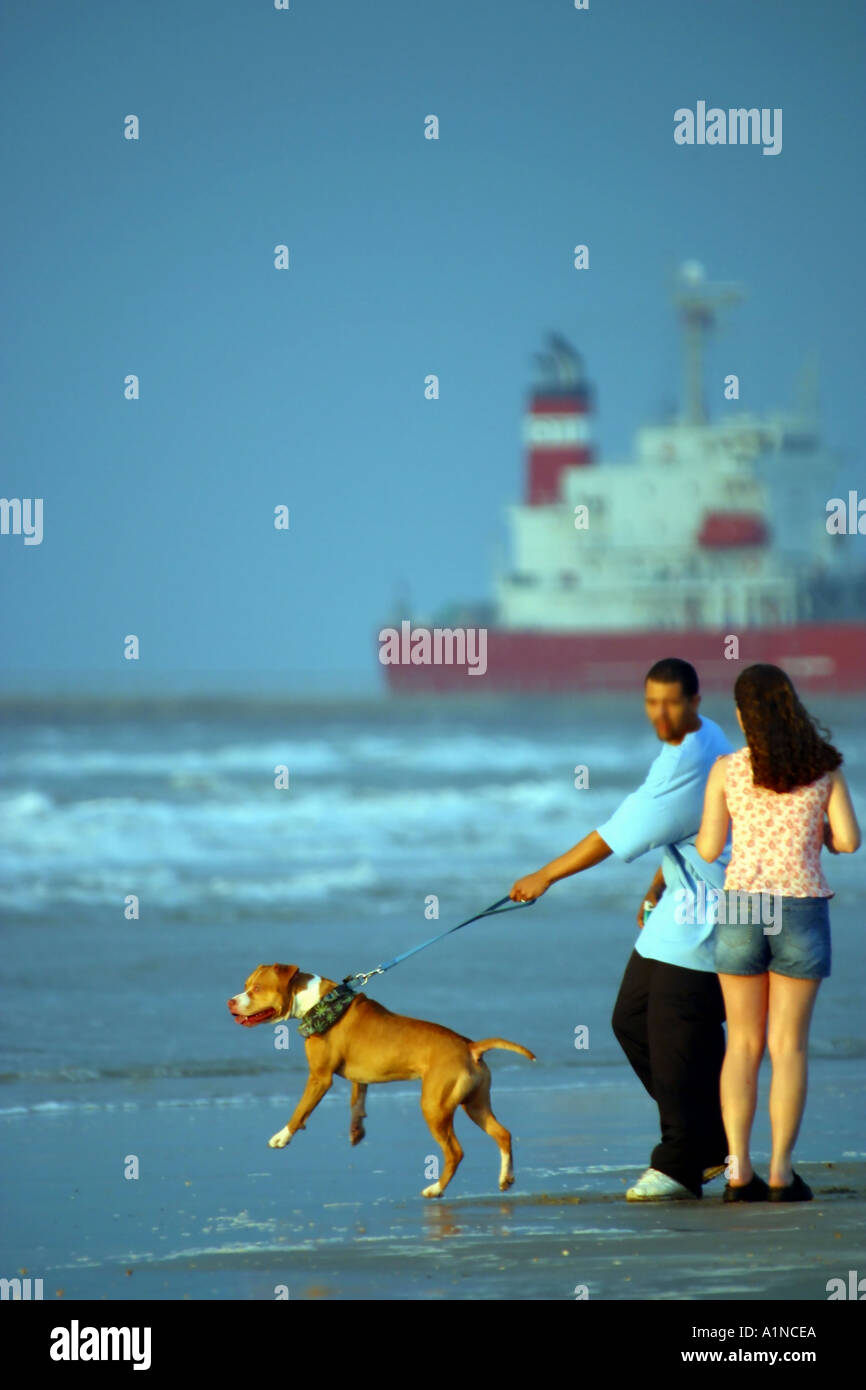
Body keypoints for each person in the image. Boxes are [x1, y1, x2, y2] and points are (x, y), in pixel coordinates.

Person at [510, 657, 734, 1201]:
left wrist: (545, 876)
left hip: (713, 916)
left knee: (677, 1033)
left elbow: (617, 833)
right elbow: (686, 824)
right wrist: (659, 881)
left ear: (695, 704)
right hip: (677, 907)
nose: (660, 713)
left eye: (672, 702)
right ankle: (713, 1139)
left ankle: (681, 1160)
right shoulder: (700, 739)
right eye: (651, 701)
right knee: (631, 1018)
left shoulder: (694, 753)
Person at [695, 664, 861, 1202]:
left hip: (744, 903)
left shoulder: (728, 769)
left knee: (741, 1044)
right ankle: (782, 1173)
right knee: (787, 1046)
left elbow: (706, 848)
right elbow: (850, 842)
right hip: (801, 905)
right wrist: (820, 840)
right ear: (792, 706)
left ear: (743, 715)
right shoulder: (824, 768)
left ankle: (739, 1170)